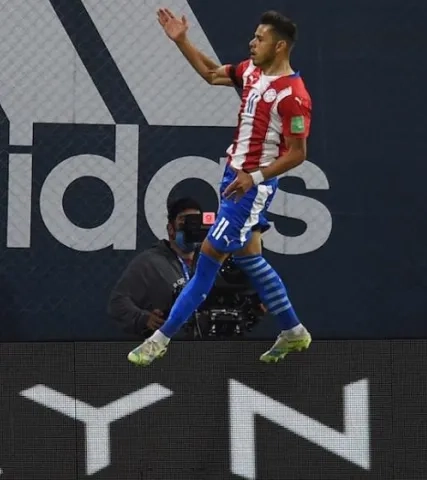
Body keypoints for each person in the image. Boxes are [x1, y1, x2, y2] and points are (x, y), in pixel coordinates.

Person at [128, 8, 312, 366]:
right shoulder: (252, 72)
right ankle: (293, 330)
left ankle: (159, 340)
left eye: (260, 38)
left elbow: (298, 154)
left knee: (206, 261)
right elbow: (212, 74)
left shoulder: (294, 96)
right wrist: (182, 40)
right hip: (234, 180)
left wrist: (254, 177)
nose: (252, 42)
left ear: (280, 46)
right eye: (254, 36)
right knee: (251, 259)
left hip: (250, 189)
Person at [109, 197, 202, 338]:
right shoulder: (150, 262)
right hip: (169, 345)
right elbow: (117, 302)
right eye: (184, 220)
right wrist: (144, 318)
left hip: (209, 343)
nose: (190, 227)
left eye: (195, 221)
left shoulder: (212, 260)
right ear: (170, 228)